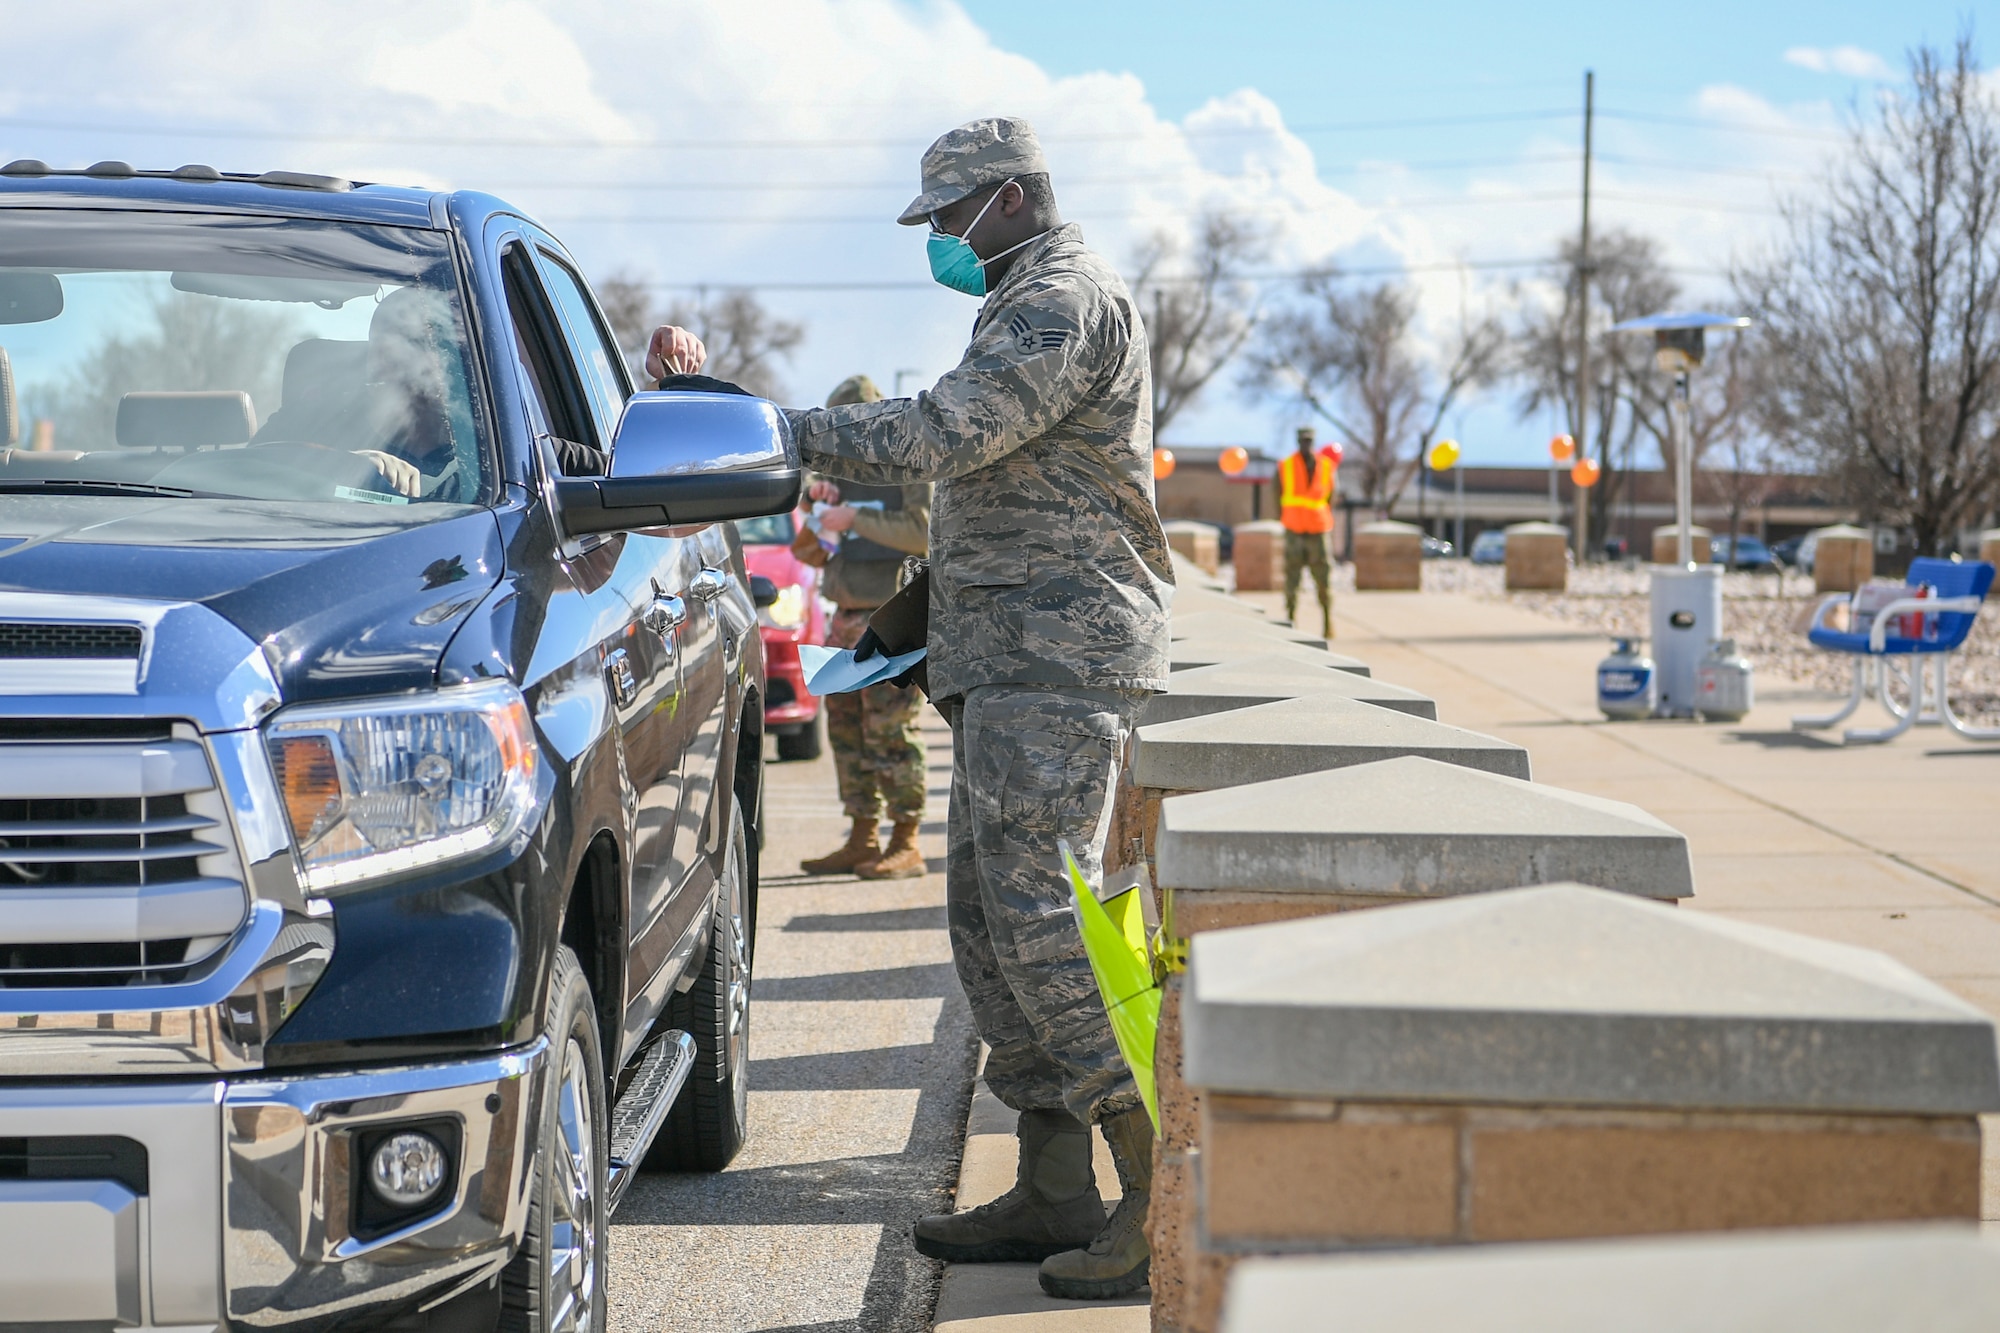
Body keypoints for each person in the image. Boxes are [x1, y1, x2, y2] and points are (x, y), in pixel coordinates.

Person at [648, 116, 1171, 1301]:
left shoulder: (1059, 300)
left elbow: (945, 432)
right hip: (1007, 650)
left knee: (1042, 921)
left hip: (1062, 653)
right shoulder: (1021, 294)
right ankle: (1052, 1184)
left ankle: (1156, 1188)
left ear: (1010, 199)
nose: (939, 240)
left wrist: (775, 428)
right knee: (991, 925)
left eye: (948, 218)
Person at [795, 374, 934, 880]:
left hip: (891, 622)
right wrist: (816, 507)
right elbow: (806, 553)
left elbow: (923, 531)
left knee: (892, 733)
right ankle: (862, 836)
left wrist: (852, 517)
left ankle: (906, 841)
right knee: (848, 733)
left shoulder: (910, 467)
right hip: (844, 622)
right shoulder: (838, 479)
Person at [1279, 424, 1336, 636]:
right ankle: (1290, 619)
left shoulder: (1326, 466)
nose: (1306, 444)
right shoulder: (1286, 465)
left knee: (1323, 578)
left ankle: (1328, 621)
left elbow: (1331, 495)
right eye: (1303, 440)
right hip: (1294, 530)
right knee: (1292, 578)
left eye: (1309, 441)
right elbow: (1278, 495)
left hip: (1318, 530)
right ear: (1298, 442)